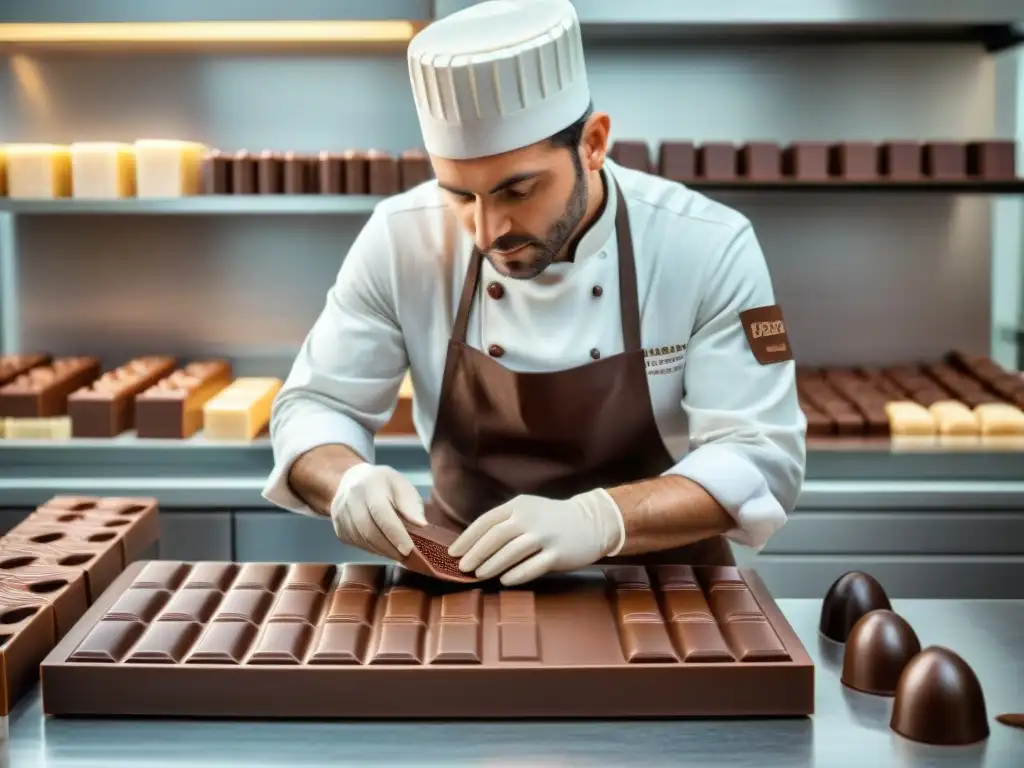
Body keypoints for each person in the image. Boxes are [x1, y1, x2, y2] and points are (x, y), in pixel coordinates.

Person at [262, 0, 806, 586]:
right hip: (464, 580)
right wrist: (347, 480)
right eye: (460, 196)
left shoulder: (708, 245)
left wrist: (600, 520)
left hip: (662, 586)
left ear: (594, 143)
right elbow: (315, 407)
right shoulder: (400, 238)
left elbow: (758, 454)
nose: (487, 231)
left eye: (518, 190)